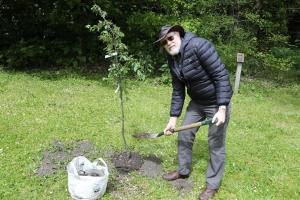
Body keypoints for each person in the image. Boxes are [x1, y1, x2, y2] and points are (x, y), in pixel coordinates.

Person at [154, 25, 233, 200]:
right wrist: (172, 120)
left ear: (179, 35)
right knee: (184, 134)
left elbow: (221, 76)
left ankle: (212, 185)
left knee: (216, 143)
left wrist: (222, 108)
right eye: (165, 42)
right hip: (197, 102)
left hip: (216, 103)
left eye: (171, 38)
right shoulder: (172, 58)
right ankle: (183, 171)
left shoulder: (199, 46)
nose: (169, 43)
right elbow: (178, 90)